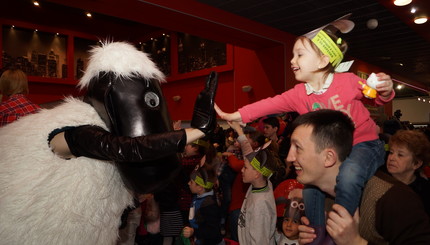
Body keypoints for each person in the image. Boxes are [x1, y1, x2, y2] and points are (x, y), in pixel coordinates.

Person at [215, 14, 394, 244]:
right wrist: (236, 115)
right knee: (310, 188)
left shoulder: (347, 81)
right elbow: (268, 104)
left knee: (349, 175)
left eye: (299, 54)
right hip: (333, 153)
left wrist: (384, 90)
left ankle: (342, 229)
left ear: (322, 61)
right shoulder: (300, 94)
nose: (292, 59)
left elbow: (375, 98)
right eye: (292, 54)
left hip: (364, 144)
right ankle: (318, 235)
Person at [287, 109, 430, 245]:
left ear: (329, 157)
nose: (289, 157)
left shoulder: (393, 198)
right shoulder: (316, 200)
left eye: (298, 148)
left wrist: (356, 242)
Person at [238, 141, 279, 245]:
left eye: (245, 167)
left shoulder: (260, 206)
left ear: (256, 174)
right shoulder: (263, 183)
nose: (242, 170)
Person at [385, 129, 430, 217]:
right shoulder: (380, 183)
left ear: (416, 164)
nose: (391, 158)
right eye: (391, 152)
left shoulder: (425, 192)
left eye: (400, 155)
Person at [182, 164, 225, 245]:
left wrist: (193, 231)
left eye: (191, 182)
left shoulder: (208, 205)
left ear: (200, 187)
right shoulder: (199, 197)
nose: (188, 183)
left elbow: (213, 230)